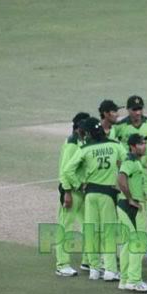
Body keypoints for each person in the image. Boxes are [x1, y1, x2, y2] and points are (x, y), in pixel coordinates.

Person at [63, 117, 126, 281]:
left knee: (91, 230)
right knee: (109, 232)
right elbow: (127, 163)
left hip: (90, 194)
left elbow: (68, 170)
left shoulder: (85, 149)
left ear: (90, 133)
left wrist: (79, 185)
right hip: (109, 194)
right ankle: (111, 270)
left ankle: (94, 269)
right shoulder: (115, 145)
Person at [114, 96, 147, 262]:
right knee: (129, 210)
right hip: (128, 172)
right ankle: (128, 247)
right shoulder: (120, 127)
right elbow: (111, 143)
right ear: (128, 110)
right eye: (134, 109)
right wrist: (120, 162)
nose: (138, 112)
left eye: (140, 109)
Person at [55, 112, 91, 276]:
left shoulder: (84, 141)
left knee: (87, 226)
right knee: (65, 227)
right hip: (71, 191)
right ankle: (62, 265)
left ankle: (87, 261)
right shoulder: (71, 143)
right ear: (77, 127)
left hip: (82, 192)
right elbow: (65, 171)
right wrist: (68, 192)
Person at [117, 134, 147, 293]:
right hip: (131, 206)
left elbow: (131, 181)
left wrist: (144, 196)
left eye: (145, 143)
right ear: (132, 146)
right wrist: (131, 199)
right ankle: (134, 280)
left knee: (128, 244)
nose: (144, 146)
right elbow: (121, 179)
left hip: (128, 204)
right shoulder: (130, 161)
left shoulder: (135, 162)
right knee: (138, 243)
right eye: (140, 144)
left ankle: (125, 279)